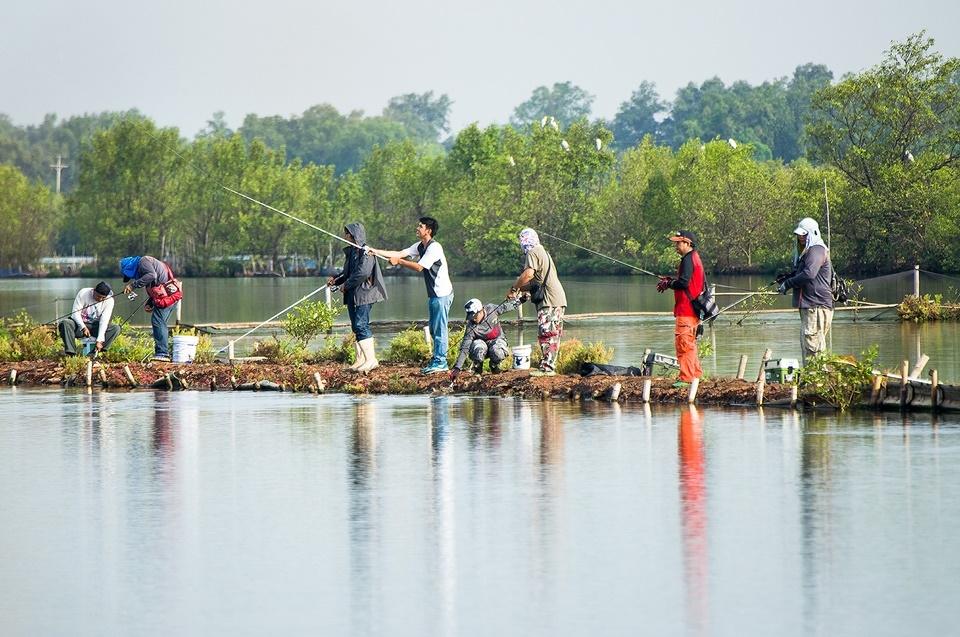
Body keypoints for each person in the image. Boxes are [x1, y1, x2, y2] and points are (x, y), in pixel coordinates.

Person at [368, 217, 454, 374]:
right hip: (434, 295)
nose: (417, 228)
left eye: (420, 226)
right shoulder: (420, 246)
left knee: (440, 329)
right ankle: (437, 359)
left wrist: (399, 262)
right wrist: (375, 251)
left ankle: (441, 363)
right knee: (435, 330)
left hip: (442, 294)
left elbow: (419, 267)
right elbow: (399, 253)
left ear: (428, 230)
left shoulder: (434, 248)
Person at [327, 222, 387, 372]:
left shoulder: (366, 252)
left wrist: (346, 285)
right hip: (354, 294)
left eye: (347, 234)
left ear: (354, 235)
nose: (345, 236)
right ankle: (360, 360)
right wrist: (336, 279)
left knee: (361, 325)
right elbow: (348, 273)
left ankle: (371, 360)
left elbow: (362, 273)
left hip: (365, 293)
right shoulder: (352, 252)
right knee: (356, 327)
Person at [507, 228, 566, 376]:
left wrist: (514, 288)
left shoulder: (533, 252)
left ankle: (547, 368)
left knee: (547, 333)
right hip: (557, 298)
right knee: (553, 334)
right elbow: (535, 282)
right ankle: (549, 366)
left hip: (549, 300)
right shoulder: (542, 251)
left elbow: (528, 274)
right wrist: (520, 289)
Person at [777, 217, 834, 364]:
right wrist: (788, 278)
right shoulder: (809, 252)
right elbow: (804, 273)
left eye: (804, 234)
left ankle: (816, 381)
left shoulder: (816, 250)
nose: (801, 237)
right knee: (810, 344)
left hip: (816, 306)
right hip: (811, 306)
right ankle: (813, 380)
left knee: (813, 346)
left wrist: (788, 284)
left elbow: (809, 274)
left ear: (812, 233)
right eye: (799, 234)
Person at [656, 230, 704, 387]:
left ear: (688, 243)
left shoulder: (688, 260)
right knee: (689, 344)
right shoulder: (693, 258)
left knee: (683, 345)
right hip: (692, 310)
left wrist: (669, 283)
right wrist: (670, 281)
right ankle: (695, 374)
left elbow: (683, 283)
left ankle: (687, 378)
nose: (676, 245)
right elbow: (686, 281)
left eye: (678, 242)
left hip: (687, 310)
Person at [120, 255, 182, 362]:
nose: (132, 277)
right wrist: (150, 303)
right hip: (170, 295)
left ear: (130, 268)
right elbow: (156, 285)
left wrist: (132, 285)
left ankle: (162, 353)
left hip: (168, 297)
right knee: (160, 323)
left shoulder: (143, 261)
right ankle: (164, 352)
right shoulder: (146, 265)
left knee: (158, 321)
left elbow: (152, 276)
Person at [450, 296, 524, 379]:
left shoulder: (491, 309)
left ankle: (494, 365)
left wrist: (521, 300)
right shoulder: (470, 326)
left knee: (498, 352)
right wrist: (457, 368)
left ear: (480, 311)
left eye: (474, 316)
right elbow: (465, 348)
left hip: (497, 341)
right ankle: (478, 369)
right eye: (470, 317)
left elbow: (506, 307)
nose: (473, 319)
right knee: (479, 348)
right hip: (481, 345)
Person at [58, 281, 119, 357]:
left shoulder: (109, 301)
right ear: (93, 291)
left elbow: (104, 321)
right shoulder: (84, 293)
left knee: (115, 328)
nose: (100, 299)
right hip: (79, 325)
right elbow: (75, 313)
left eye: (103, 298)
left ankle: (94, 351)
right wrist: (83, 327)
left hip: (95, 326)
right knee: (65, 323)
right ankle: (71, 353)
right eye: (98, 296)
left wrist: (99, 340)